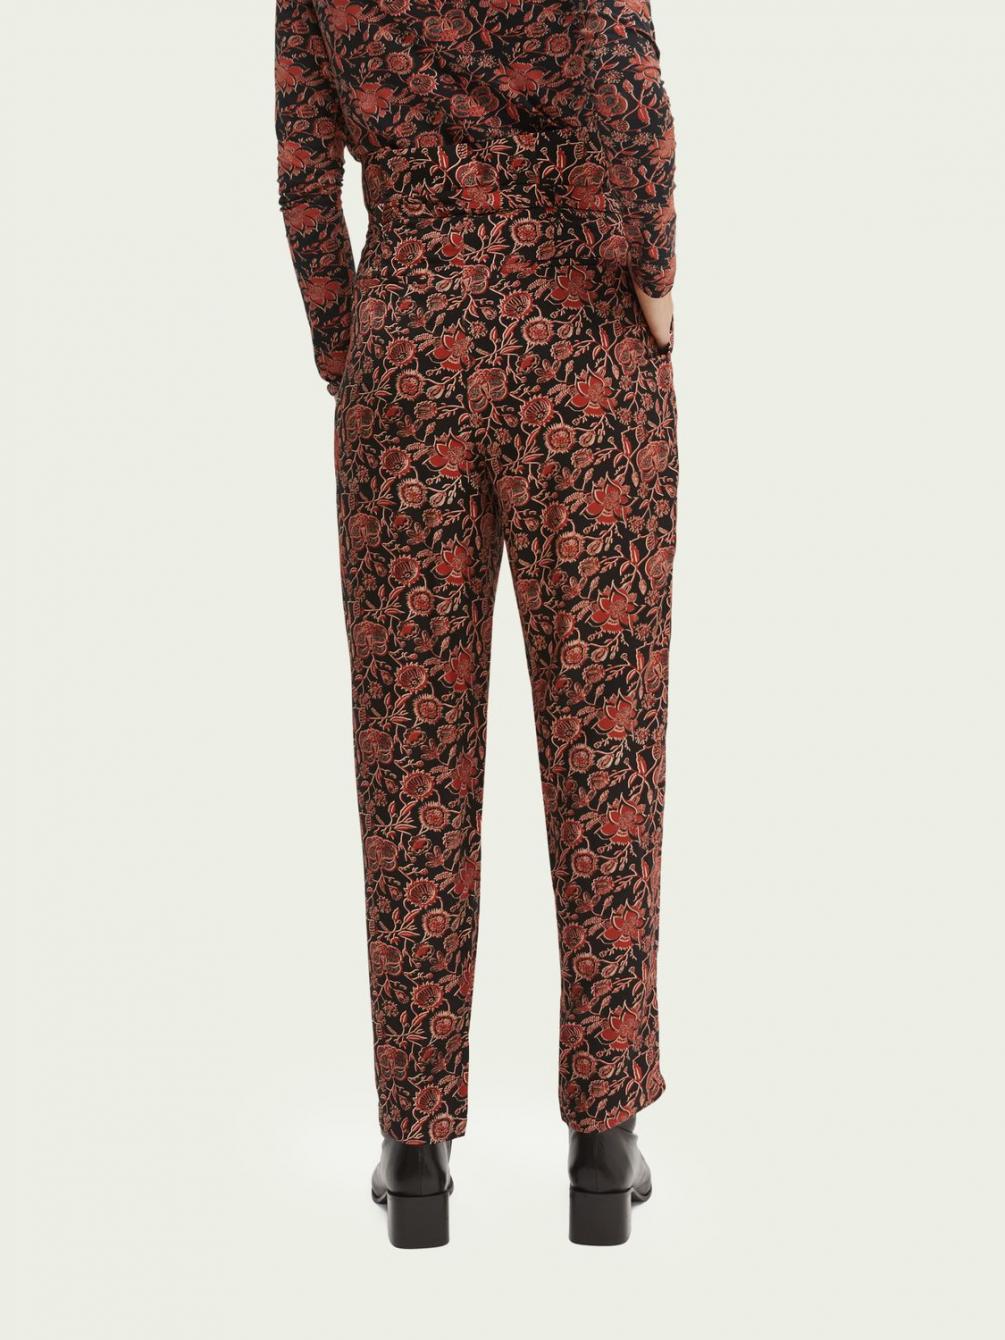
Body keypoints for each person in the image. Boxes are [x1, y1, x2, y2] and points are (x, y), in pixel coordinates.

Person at [275, 0, 677, 1248]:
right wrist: (656, 278)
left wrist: (354, 346)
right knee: (607, 740)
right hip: (581, 343)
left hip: (410, 340)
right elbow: (632, 100)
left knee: (412, 753)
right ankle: (602, 1138)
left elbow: (302, 164)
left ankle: (417, 1146)